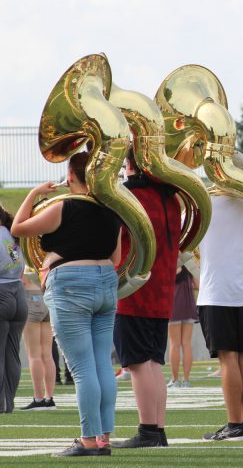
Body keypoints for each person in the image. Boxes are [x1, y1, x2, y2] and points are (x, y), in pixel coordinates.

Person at [11, 151, 120, 456]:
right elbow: (117, 259)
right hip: (106, 282)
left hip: (70, 283)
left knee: (83, 368)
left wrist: (34, 193)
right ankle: (103, 438)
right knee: (101, 365)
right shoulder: (113, 208)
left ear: (70, 175)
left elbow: (18, 228)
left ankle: (88, 440)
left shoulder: (63, 206)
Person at [198, 151, 243, 441]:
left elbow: (183, 238)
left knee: (227, 358)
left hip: (216, 291)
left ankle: (234, 424)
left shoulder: (203, 203)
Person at [113, 146, 181, 448]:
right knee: (153, 362)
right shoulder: (172, 198)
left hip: (134, 290)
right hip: (163, 290)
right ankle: (158, 430)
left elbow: (115, 237)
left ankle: (148, 430)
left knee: (139, 364)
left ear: (130, 164)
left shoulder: (130, 195)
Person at [0, 204, 28, 414]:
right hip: (19, 294)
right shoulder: (11, 234)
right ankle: (8, 402)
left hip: (2, 293)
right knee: (12, 353)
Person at [19, 275, 57, 410]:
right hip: (46, 295)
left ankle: (39, 398)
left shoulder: (23, 253)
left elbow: (22, 280)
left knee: (34, 354)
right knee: (47, 354)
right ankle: (49, 398)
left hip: (30, 296)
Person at [167, 260, 199, 389]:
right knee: (186, 344)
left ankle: (175, 380)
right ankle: (186, 380)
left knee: (174, 344)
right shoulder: (188, 268)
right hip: (188, 306)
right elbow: (197, 285)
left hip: (173, 307)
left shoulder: (168, 267)